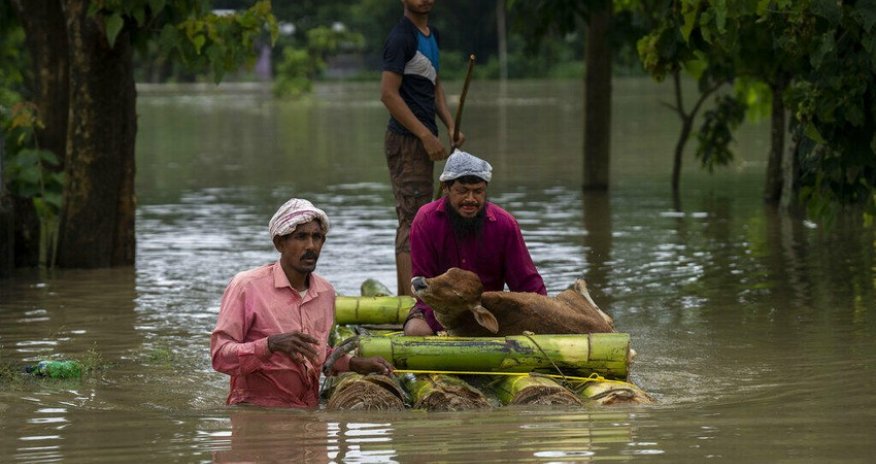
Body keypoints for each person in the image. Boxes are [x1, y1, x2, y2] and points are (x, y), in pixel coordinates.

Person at [211, 198, 393, 408]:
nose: (311, 246)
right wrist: (269, 345)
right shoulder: (246, 286)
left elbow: (315, 351)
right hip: (255, 410)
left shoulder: (325, 292)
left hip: (307, 410)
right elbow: (220, 356)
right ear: (280, 243)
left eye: (317, 237)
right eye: (301, 237)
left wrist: (353, 363)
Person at [404, 151, 547, 335]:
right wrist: (447, 327)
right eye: (462, 191)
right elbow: (424, 291)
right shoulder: (425, 220)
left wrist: (544, 312)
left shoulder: (504, 224)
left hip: (489, 310)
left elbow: (527, 283)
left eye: (478, 191)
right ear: (446, 188)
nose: (471, 199)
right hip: (440, 311)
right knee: (417, 331)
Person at [381, 0, 465, 296]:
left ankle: (420, 293)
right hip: (407, 140)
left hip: (423, 138)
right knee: (411, 219)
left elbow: (434, 84)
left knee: (423, 216)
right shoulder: (401, 38)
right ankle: (406, 303)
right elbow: (388, 95)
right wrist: (425, 136)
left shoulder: (432, 35)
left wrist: (449, 125)